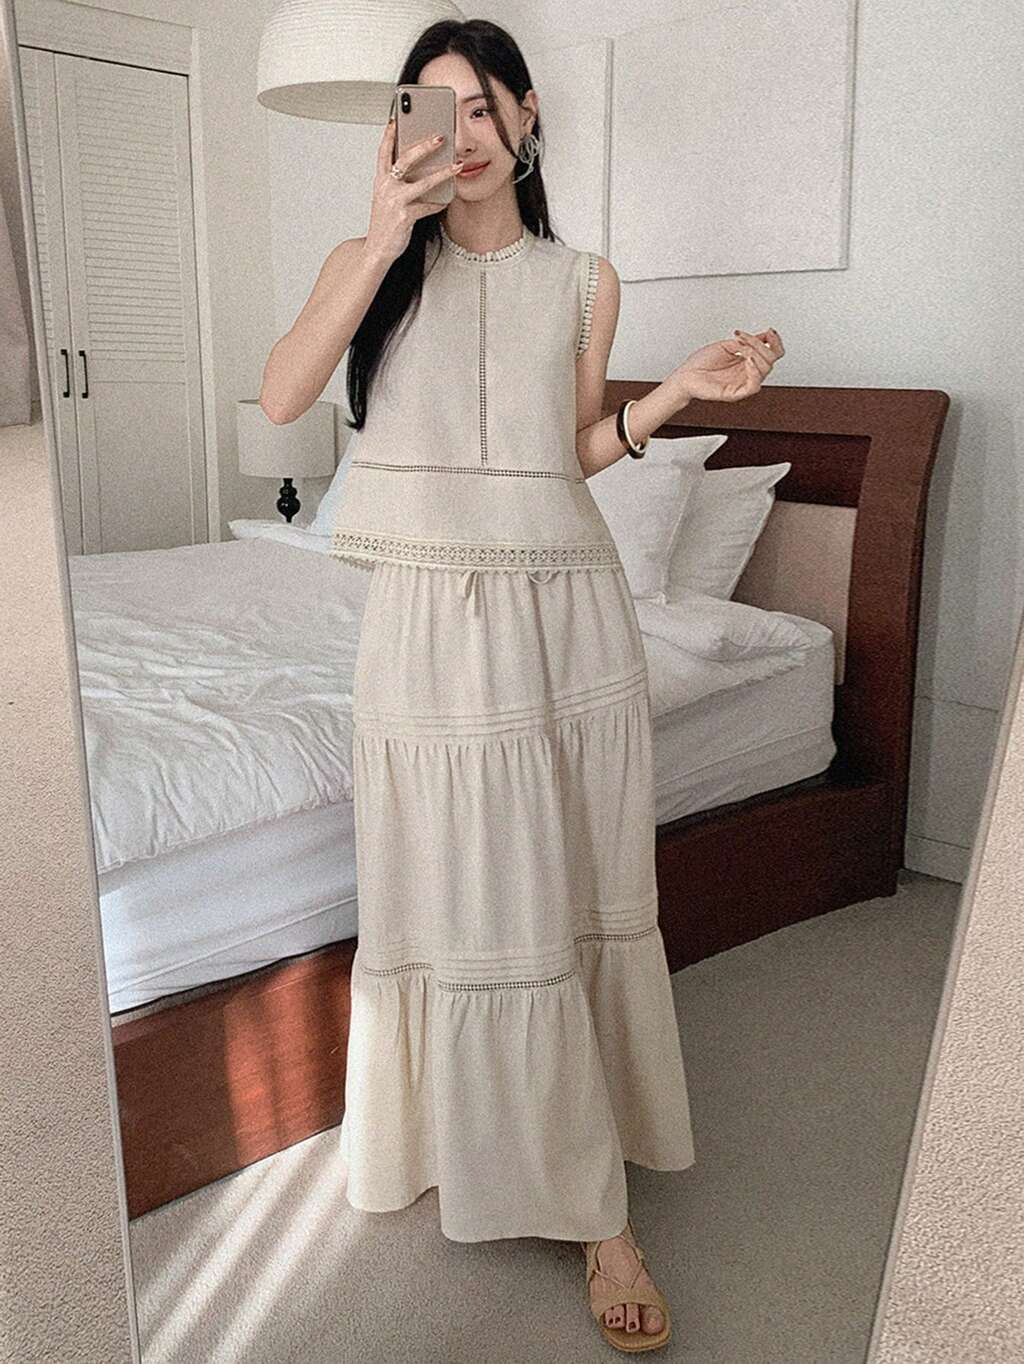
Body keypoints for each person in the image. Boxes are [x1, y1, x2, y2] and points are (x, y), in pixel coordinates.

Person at [260, 18, 783, 1353]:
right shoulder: (367, 267)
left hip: (568, 615)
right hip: (424, 622)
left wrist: (675, 396)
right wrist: (379, 237)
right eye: (435, 112)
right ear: (403, 134)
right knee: (448, 886)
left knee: (561, 889)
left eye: (484, 105)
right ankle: (463, 1135)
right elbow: (279, 399)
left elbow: (567, 452)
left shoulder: (586, 281)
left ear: (528, 115)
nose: (467, 136)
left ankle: (603, 1215)